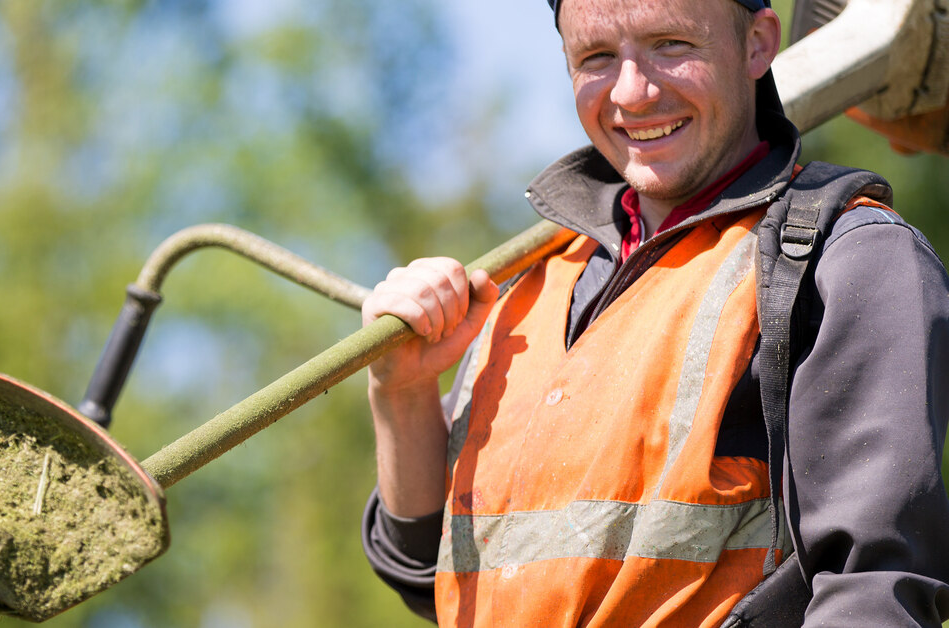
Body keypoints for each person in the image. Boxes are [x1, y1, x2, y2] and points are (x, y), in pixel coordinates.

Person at [359, 0, 949, 625]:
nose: (633, 93)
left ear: (758, 43)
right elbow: (424, 568)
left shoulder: (845, 256)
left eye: (671, 44)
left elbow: (875, 590)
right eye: (596, 57)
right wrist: (403, 392)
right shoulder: (532, 286)